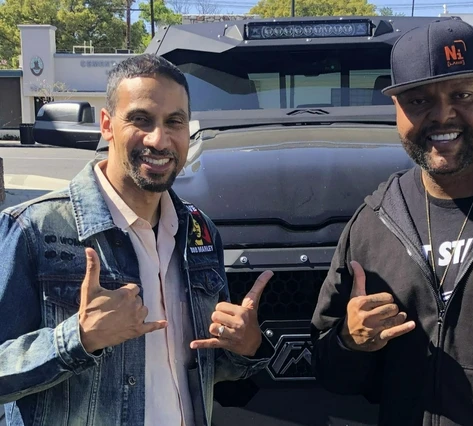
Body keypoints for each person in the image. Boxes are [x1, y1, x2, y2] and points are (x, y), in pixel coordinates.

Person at [311, 18, 473, 426]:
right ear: (396, 109)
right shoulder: (375, 221)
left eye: (463, 94)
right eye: (418, 101)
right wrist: (350, 342)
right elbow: (332, 373)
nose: (443, 115)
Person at [0, 53, 273, 426]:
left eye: (174, 122)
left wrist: (246, 347)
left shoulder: (199, 231)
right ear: (107, 125)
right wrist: (77, 338)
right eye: (141, 120)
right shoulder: (33, 229)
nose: (159, 140)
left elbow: (192, 365)